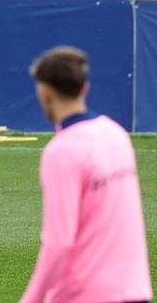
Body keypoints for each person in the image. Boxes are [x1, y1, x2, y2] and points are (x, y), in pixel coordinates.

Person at [21, 46, 153, 303]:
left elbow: (59, 241)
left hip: (87, 294)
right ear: (85, 88)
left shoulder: (62, 151)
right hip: (135, 290)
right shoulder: (116, 134)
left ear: (45, 92)